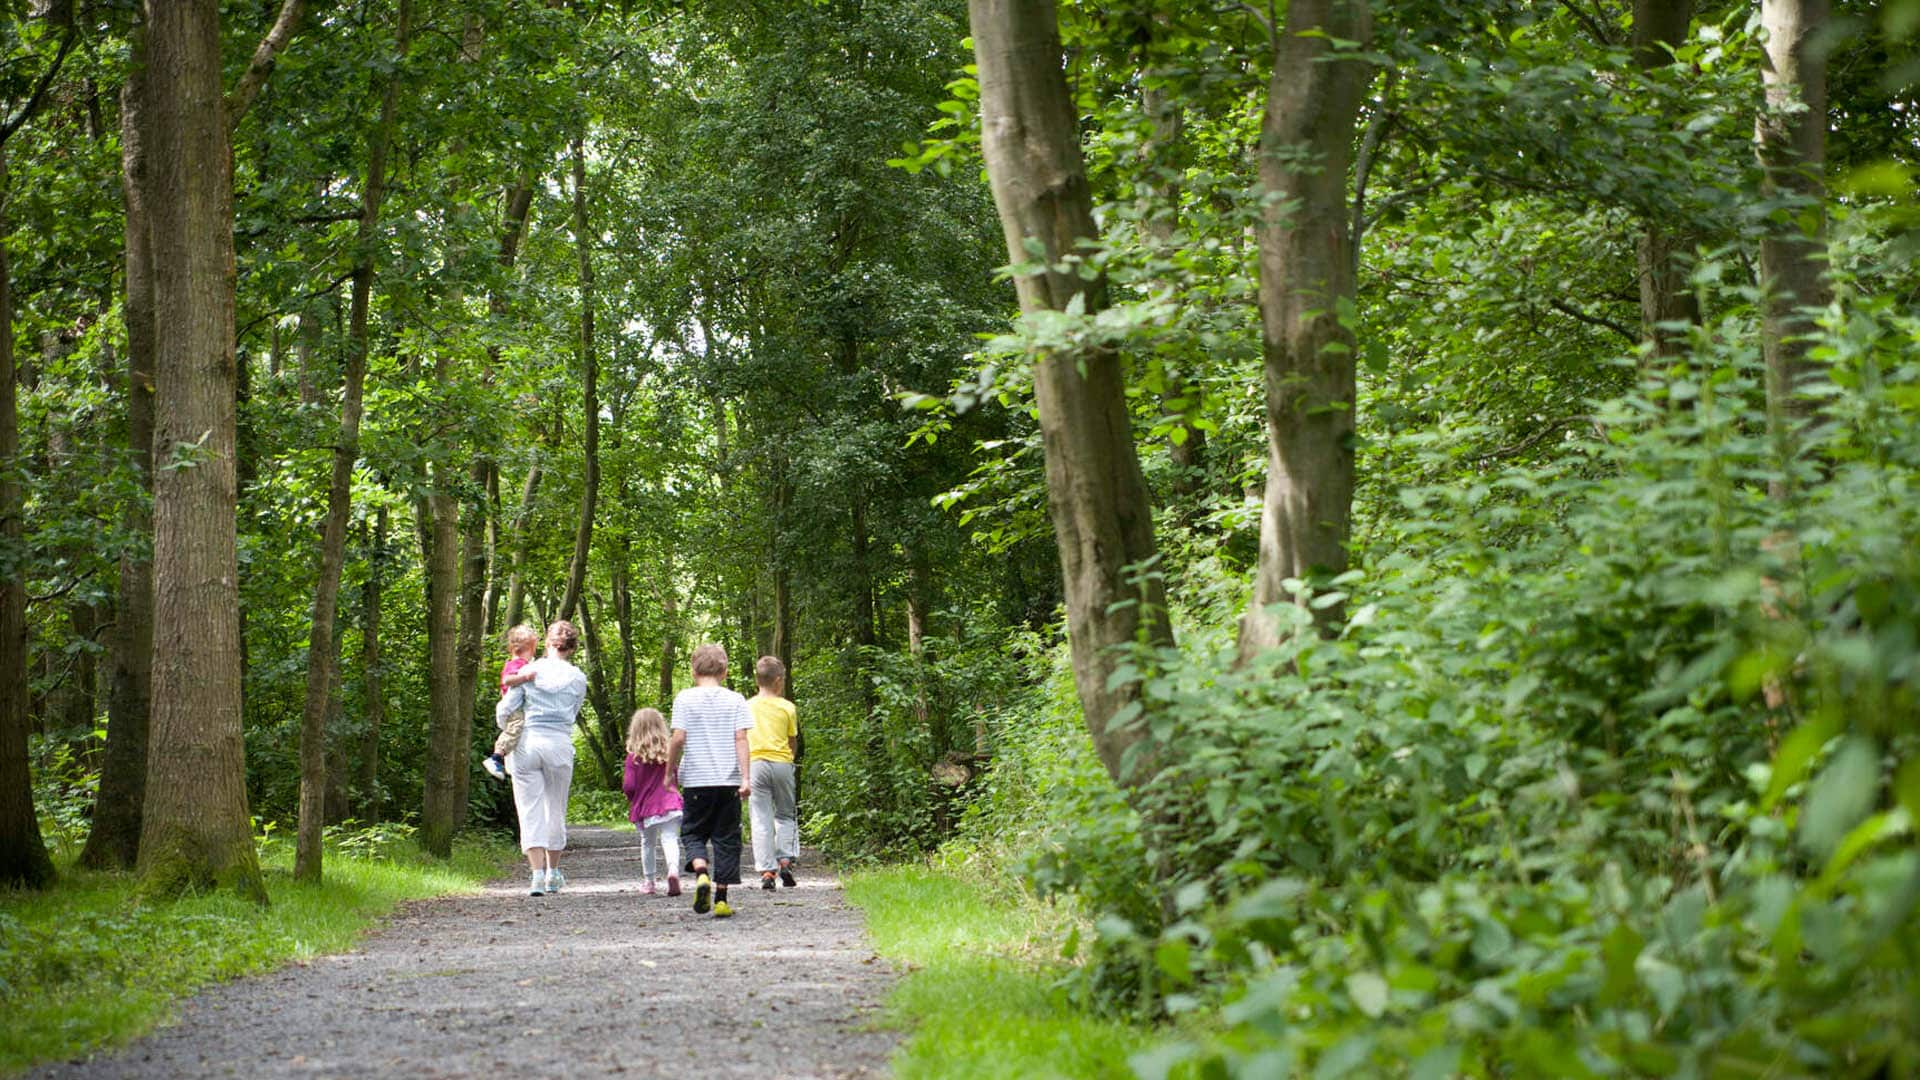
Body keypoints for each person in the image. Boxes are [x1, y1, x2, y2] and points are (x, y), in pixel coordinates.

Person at [495, 620, 588, 896]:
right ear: (572, 648)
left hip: (528, 743)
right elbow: (573, 712)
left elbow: (505, 709)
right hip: (559, 743)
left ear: (547, 643)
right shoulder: (578, 678)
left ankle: (536, 876)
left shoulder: (528, 671)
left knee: (529, 810)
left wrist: (507, 729)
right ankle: (553, 873)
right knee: (555, 809)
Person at [667, 643, 753, 918]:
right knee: (727, 839)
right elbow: (741, 738)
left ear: (693, 670)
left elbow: (678, 738)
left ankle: (701, 872)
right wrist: (746, 777)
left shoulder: (684, 698)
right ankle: (721, 899)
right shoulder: (736, 699)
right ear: (725, 671)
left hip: (696, 781)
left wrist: (670, 771)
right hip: (728, 782)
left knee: (693, 832)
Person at [747, 655, 800, 890]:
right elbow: (792, 741)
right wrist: (790, 760)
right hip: (782, 764)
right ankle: (785, 859)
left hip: (756, 763)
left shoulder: (747, 706)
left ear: (757, 680)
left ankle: (767, 871)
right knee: (786, 814)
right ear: (778, 681)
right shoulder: (788, 707)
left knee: (760, 817)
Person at [622, 707, 684, 897]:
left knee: (647, 842)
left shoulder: (634, 757)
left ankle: (649, 881)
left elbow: (629, 785)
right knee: (670, 839)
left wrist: (632, 799)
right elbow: (677, 775)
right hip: (670, 802)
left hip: (647, 806)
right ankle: (673, 871)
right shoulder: (669, 753)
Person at [482, 624, 541, 781]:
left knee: (516, 732)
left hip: (513, 706)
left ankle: (505, 761)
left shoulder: (520, 663)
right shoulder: (517, 664)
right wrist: (525, 677)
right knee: (516, 727)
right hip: (512, 708)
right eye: (533, 650)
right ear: (528, 648)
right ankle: (496, 756)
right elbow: (507, 680)